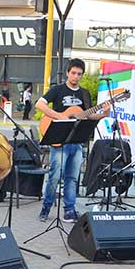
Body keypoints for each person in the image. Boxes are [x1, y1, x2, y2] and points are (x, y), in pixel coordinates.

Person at [35, 59, 110, 223]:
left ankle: (69, 210)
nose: (76, 76)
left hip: (76, 141)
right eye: (73, 73)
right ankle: (46, 208)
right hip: (59, 141)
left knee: (72, 178)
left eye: (79, 74)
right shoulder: (58, 90)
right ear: (68, 72)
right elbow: (40, 105)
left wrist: (103, 114)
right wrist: (60, 116)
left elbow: (87, 115)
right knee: (55, 177)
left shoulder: (84, 93)